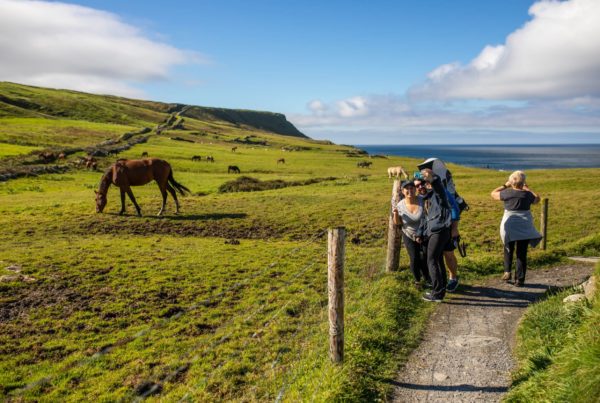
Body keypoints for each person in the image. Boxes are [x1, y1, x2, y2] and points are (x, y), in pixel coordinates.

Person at [491, 170, 541, 286]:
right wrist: (528, 189)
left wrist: (505, 185)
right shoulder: (528, 195)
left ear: (512, 182)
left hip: (510, 225)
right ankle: (520, 280)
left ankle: (507, 271)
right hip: (524, 225)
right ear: (523, 182)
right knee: (521, 253)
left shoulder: (507, 193)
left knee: (508, 248)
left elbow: (493, 193)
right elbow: (537, 199)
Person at [418, 168, 452, 302]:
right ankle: (441, 290)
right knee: (437, 260)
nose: (420, 187)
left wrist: (433, 179)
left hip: (439, 231)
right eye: (418, 185)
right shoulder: (427, 199)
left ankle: (437, 293)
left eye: (423, 183)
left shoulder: (438, 196)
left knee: (431, 260)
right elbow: (426, 219)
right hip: (437, 231)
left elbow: (439, 189)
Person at [393, 180, 431, 288]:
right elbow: (398, 223)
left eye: (412, 188)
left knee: (425, 257)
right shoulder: (400, 205)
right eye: (407, 189)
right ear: (402, 191)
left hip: (424, 233)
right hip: (409, 234)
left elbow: (428, 217)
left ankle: (427, 277)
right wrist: (395, 214)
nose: (410, 190)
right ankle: (417, 280)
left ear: (415, 189)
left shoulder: (422, 201)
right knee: (414, 257)